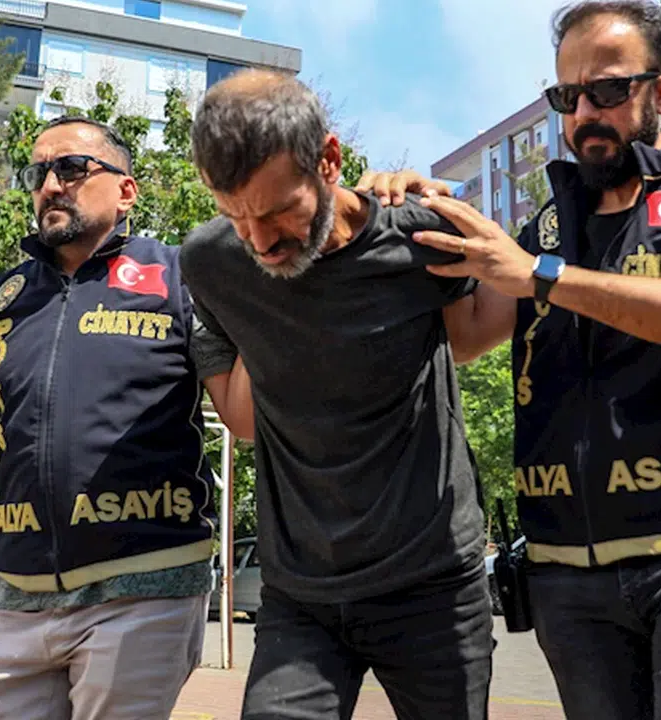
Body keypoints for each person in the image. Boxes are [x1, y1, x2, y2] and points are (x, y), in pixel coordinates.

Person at [358, 1, 661, 718]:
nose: (585, 113)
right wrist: (411, 225)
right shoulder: (548, 228)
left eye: (609, 90)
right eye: (569, 97)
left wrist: (539, 275)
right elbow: (465, 336)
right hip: (570, 574)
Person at [0, 116, 251, 720]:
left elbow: (242, 418)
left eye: (72, 168)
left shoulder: (180, 278)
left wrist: (275, 311)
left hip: (147, 585)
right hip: (21, 595)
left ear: (126, 190)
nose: (51, 184)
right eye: (39, 173)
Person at [178, 69, 499, 720]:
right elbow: (240, 403)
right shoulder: (212, 262)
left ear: (329, 160)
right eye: (236, 217)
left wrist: (474, 234)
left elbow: (477, 334)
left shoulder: (416, 240)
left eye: (278, 211)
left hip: (432, 583)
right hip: (301, 596)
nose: (261, 242)